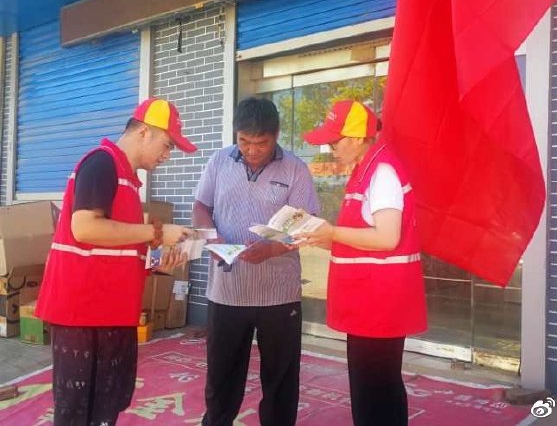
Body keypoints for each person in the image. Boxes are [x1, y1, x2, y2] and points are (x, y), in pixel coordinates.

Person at [35, 98, 197, 426]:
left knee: (109, 401)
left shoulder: (127, 179)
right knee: (79, 408)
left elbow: (115, 247)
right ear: (144, 132)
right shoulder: (101, 164)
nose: (167, 156)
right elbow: (84, 228)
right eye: (167, 145)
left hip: (111, 311)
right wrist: (156, 232)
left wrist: (156, 263)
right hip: (83, 314)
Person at [298, 100, 427, 426]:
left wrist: (332, 232)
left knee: (376, 387)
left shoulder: (382, 173)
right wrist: (319, 237)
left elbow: (387, 237)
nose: (331, 149)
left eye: (335, 141)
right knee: (371, 385)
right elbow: (358, 237)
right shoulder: (364, 170)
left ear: (357, 137)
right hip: (369, 302)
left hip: (380, 303)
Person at [193, 97, 320, 426]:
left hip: (278, 294)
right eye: (244, 141)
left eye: (261, 143)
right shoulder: (219, 161)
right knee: (221, 375)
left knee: (280, 378)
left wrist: (272, 248)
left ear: (276, 135)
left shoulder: (295, 169)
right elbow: (201, 207)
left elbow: (306, 225)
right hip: (227, 290)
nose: (251, 150)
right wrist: (211, 238)